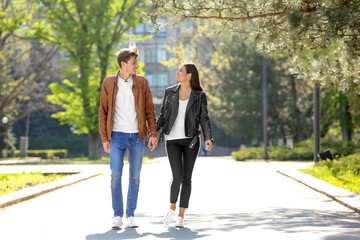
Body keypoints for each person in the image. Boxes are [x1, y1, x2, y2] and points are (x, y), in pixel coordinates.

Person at [98, 47, 158, 229]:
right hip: (116, 136)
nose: (137, 66)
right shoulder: (109, 83)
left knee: (135, 177)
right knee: (115, 175)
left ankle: (130, 215)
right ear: (123, 64)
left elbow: (149, 110)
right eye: (133, 63)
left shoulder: (142, 82)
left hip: (137, 137)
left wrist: (153, 133)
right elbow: (103, 112)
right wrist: (105, 138)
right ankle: (118, 215)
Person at [157, 61, 213, 228]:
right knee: (177, 177)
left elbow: (204, 118)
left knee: (187, 178)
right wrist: (154, 133)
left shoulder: (199, 96)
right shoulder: (170, 92)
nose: (177, 72)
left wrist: (208, 137)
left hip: (191, 141)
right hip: (172, 140)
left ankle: (181, 216)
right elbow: (162, 116)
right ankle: (172, 209)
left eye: (180, 70)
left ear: (189, 75)